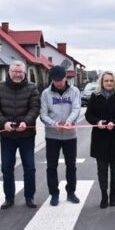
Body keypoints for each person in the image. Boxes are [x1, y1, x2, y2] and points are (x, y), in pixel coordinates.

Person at [0, 61, 40, 210]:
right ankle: (9, 198)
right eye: (15, 71)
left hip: (26, 135)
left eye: (20, 72)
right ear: (9, 71)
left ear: (25, 73)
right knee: (6, 168)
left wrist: (26, 122)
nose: (17, 74)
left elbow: (35, 108)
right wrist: (3, 122)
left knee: (30, 168)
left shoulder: (32, 88)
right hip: (7, 135)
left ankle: (29, 196)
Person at [85, 71, 115, 208]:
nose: (109, 83)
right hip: (100, 137)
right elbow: (88, 114)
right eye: (106, 81)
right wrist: (97, 122)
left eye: (111, 80)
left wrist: (114, 123)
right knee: (102, 169)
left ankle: (113, 194)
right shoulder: (95, 96)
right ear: (101, 83)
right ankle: (104, 195)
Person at [40, 65, 81, 206]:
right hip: (52, 136)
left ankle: (71, 192)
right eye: (55, 80)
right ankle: (54, 194)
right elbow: (43, 114)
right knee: (52, 166)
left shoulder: (74, 91)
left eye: (61, 80)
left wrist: (70, 121)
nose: (58, 83)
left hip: (70, 135)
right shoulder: (46, 93)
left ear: (66, 78)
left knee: (71, 165)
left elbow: (76, 108)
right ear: (52, 79)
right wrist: (53, 123)